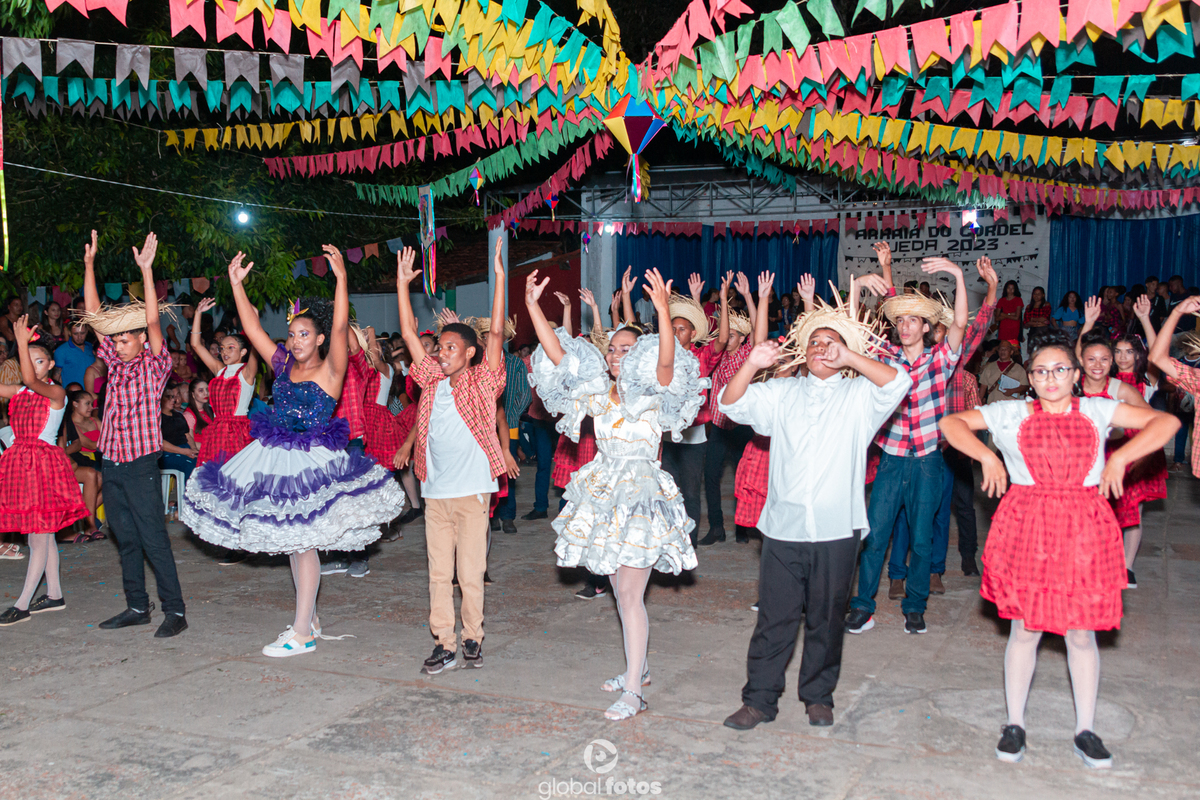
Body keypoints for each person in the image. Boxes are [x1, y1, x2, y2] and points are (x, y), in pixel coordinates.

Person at [940, 330, 1178, 769]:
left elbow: (1166, 424)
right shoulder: (1011, 412)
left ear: (1075, 373)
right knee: (1025, 629)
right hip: (1027, 525)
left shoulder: (1097, 409)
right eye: (1041, 371)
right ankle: (1014, 724)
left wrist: (1120, 458)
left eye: (1060, 370)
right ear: (1030, 377)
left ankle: (1086, 730)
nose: (1051, 379)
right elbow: (951, 423)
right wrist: (987, 457)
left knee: (1080, 633)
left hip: (1083, 527)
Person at [182, 249, 405, 656]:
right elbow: (252, 329)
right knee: (291, 540)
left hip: (312, 459)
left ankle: (302, 633)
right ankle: (310, 619)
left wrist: (341, 279)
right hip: (274, 453)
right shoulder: (283, 365)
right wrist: (236, 284)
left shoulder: (331, 368)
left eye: (304, 334)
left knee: (303, 543)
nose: (295, 340)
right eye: (292, 334)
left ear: (319, 339)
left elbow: (341, 326)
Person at [720, 294, 911, 730]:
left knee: (826, 619)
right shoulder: (782, 392)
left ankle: (818, 697)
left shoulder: (860, 395)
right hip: (783, 527)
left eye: (830, 342)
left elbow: (899, 381)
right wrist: (751, 363)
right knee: (775, 619)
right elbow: (731, 404)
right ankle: (759, 701)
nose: (821, 348)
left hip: (836, 528)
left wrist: (851, 357)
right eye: (814, 342)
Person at [526, 265, 704, 721]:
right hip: (605, 494)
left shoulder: (652, 393)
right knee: (617, 587)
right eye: (613, 348)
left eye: (628, 348)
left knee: (628, 594)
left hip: (642, 496)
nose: (617, 354)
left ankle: (634, 691)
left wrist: (662, 312)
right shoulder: (597, 392)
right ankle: (637, 669)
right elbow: (558, 356)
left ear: (641, 354)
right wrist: (532, 307)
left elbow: (667, 362)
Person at [396, 241, 507, 676]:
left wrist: (499, 278)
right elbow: (409, 336)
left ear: (469, 353)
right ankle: (443, 642)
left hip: (473, 492)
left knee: (470, 573)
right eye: (439, 347)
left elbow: (494, 336)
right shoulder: (431, 381)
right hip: (436, 494)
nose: (441, 353)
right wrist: (403, 285)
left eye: (449, 348)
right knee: (439, 575)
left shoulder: (482, 382)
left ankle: (473, 636)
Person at [845, 251, 969, 636]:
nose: (905, 326)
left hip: (928, 461)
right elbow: (853, 332)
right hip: (892, 459)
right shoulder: (886, 358)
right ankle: (862, 606)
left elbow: (960, 323)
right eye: (900, 320)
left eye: (912, 319)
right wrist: (857, 286)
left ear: (926, 326)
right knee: (875, 536)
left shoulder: (940, 359)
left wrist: (958, 275)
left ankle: (915, 606)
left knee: (922, 539)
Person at [79, 230, 188, 639]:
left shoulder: (155, 365)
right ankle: (137, 606)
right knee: (124, 537)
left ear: (141, 339)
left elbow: (155, 320)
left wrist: (146, 271)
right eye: (118, 340)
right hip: (111, 461)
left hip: (141, 463)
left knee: (153, 538)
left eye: (126, 339)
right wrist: (89, 265)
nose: (120, 344)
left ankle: (175, 611)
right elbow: (94, 316)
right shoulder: (113, 360)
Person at [888, 255, 999, 593]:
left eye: (946, 328)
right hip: (911, 445)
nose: (942, 332)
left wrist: (992, 288)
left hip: (947, 449)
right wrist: (887, 270)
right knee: (903, 512)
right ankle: (897, 573)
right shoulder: (909, 359)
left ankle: (935, 570)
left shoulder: (956, 358)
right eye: (938, 327)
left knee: (938, 513)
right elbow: (897, 314)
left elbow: (980, 325)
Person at [0, 319, 91, 626]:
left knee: (38, 536)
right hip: (20, 464)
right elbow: (21, 381)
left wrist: (20, 342)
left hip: (42, 466)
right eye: (28, 359)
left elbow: (29, 377)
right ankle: (54, 595)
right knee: (41, 534)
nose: (32, 365)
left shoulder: (56, 392)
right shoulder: (19, 392)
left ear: (51, 365)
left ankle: (22, 604)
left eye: (39, 360)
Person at [1079, 297, 1164, 588]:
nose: (1123, 357)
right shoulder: (1104, 378)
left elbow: (1158, 355)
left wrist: (1145, 319)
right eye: (1118, 351)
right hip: (1104, 449)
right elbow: (1080, 358)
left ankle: (1127, 566)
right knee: (1102, 509)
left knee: (1133, 510)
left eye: (1129, 352)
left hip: (1135, 451)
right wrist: (1088, 324)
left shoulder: (1144, 381)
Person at [699, 271, 770, 545]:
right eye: (725, 335)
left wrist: (749, 296)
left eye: (732, 336)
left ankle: (742, 528)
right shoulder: (717, 356)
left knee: (743, 479)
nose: (726, 338)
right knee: (711, 477)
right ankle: (717, 528)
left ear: (742, 339)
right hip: (718, 428)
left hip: (741, 428)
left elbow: (758, 329)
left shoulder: (745, 354)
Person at [663, 273, 729, 547]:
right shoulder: (662, 358)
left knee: (690, 493)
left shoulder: (702, 357)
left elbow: (722, 340)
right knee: (666, 492)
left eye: (682, 329)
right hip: (665, 435)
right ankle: (669, 542)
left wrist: (722, 301)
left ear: (692, 333)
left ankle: (687, 545)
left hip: (694, 437)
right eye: (672, 328)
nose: (676, 332)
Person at [188, 298, 257, 468]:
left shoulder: (247, 373)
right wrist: (198, 313)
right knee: (213, 478)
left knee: (236, 476)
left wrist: (254, 320)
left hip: (237, 433)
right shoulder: (220, 370)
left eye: (231, 348)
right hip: (216, 432)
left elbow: (257, 343)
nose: (224, 352)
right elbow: (196, 345)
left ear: (243, 352)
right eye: (222, 348)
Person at [60, 388, 104, 540]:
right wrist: (62, 453)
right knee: (97, 474)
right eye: (87, 404)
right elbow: (85, 444)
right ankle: (81, 522)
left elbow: (76, 444)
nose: (91, 407)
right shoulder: (66, 419)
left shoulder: (64, 419)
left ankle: (89, 524)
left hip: (71, 457)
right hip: (58, 460)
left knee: (103, 476)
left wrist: (64, 452)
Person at [159, 385, 199, 482]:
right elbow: (160, 442)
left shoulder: (178, 416)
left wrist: (193, 449)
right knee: (188, 464)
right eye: (168, 397)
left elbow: (187, 435)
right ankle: (188, 491)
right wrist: (184, 451)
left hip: (185, 448)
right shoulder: (158, 419)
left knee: (202, 462)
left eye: (173, 397)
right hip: (168, 453)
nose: (173, 400)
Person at [979, 340, 1029, 404]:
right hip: (993, 406)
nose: (1003, 351)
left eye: (1006, 349)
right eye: (1001, 349)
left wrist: (1013, 391)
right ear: (998, 351)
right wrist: (978, 402)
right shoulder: (989, 367)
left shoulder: (1019, 369)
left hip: (1011, 406)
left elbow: (1025, 386)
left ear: (1011, 352)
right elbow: (983, 387)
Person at [55, 322, 95, 389]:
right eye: (75, 334)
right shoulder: (62, 350)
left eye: (82, 333)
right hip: (72, 392)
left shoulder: (91, 347)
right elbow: (57, 376)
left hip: (92, 391)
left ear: (86, 332)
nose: (79, 337)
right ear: (70, 333)